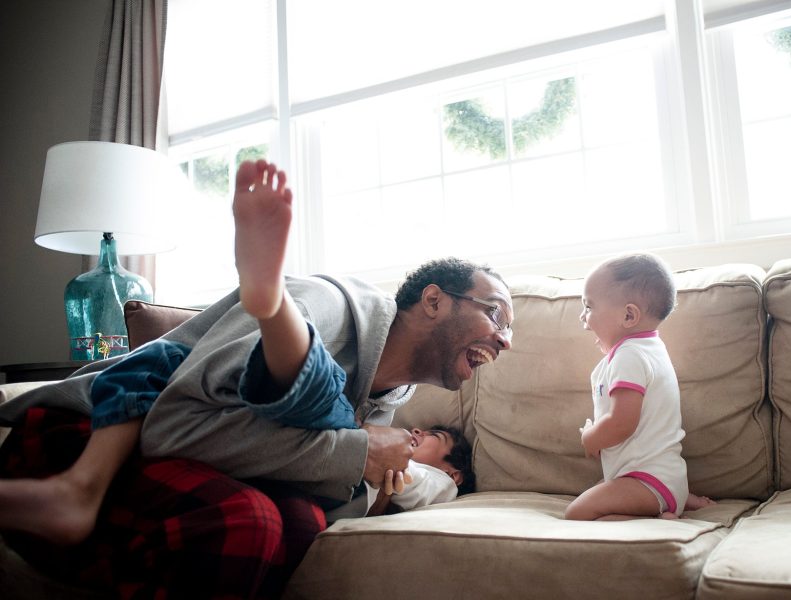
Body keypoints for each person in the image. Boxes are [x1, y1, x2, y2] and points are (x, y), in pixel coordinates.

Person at [0, 160, 511, 598]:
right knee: (248, 520)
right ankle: (273, 307)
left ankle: (274, 314)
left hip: (162, 465)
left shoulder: (387, 399)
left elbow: (307, 477)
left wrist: (364, 476)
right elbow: (171, 428)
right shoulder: (331, 307)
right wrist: (357, 453)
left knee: (300, 521)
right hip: (80, 434)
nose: (505, 339)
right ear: (434, 300)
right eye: (496, 314)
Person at [564, 253, 713, 521]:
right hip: (659, 479)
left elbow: (622, 423)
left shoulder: (629, 356)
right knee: (599, 494)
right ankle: (680, 499)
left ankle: (661, 521)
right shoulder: (649, 349)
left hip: (647, 481)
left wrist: (592, 437)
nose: (582, 317)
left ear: (629, 315)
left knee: (578, 513)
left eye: (589, 307)